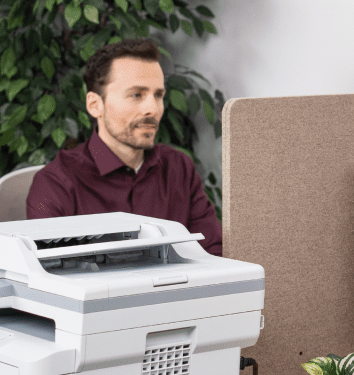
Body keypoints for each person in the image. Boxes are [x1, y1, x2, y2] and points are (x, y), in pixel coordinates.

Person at [26, 38, 222, 256]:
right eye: (136, 95)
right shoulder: (56, 184)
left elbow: (213, 255)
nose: (153, 109)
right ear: (95, 105)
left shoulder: (179, 168)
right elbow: (52, 278)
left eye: (158, 95)